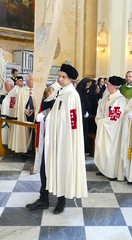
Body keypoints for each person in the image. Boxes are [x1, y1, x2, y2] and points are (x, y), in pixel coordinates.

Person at [26, 64, 88, 214]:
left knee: (62, 168)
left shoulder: (72, 95)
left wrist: (69, 141)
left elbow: (72, 122)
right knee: (45, 167)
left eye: (63, 77)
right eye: (59, 76)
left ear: (70, 79)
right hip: (52, 138)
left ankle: (61, 201)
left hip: (63, 140)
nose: (59, 79)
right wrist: (46, 115)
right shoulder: (60, 92)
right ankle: (44, 199)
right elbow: (54, 110)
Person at [94, 76, 126, 180]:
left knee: (111, 150)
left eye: (108, 84)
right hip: (103, 127)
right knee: (102, 148)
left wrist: (102, 121)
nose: (106, 86)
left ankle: (111, 172)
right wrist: (99, 119)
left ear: (112, 86)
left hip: (113, 130)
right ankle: (103, 168)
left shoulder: (120, 100)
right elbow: (100, 109)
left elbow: (114, 118)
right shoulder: (106, 96)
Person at [8, 75, 35, 153]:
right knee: (24, 131)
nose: (33, 81)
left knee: (33, 132)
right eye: (32, 79)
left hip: (33, 114)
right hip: (23, 115)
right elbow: (19, 104)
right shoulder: (22, 90)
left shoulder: (37, 90)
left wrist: (33, 110)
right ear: (27, 81)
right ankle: (24, 147)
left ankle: (33, 149)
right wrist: (24, 110)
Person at [1, 79, 15, 144]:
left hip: (9, 116)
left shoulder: (14, 94)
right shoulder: (9, 93)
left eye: (6, 85)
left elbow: (12, 106)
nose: (5, 87)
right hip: (5, 116)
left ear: (11, 85)